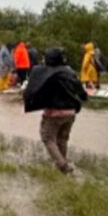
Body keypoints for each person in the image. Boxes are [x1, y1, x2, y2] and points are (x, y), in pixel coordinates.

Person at [24, 47, 89, 175]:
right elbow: (81, 90)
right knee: (62, 139)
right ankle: (63, 164)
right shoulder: (69, 71)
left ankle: (63, 166)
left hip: (54, 113)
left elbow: (32, 89)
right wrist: (84, 97)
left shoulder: (42, 73)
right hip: (71, 112)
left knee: (48, 138)